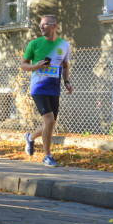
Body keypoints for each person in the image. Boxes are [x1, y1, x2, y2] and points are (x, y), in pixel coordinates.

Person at [21, 15, 73, 167]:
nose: (41, 27)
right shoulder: (34, 44)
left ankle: (30, 137)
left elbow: (65, 66)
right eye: (40, 25)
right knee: (49, 120)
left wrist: (67, 82)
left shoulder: (64, 45)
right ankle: (47, 156)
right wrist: (36, 67)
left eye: (45, 24)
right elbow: (24, 65)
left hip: (54, 88)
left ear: (54, 26)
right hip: (38, 87)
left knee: (50, 124)